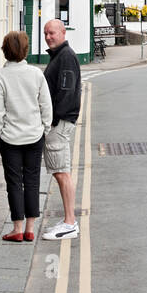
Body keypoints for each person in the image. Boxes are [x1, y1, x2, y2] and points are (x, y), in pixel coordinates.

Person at [0, 31, 52, 242]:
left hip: (9, 139)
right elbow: (46, 105)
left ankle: (17, 228)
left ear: (5, 50)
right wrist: (45, 129)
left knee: (14, 182)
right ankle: (30, 228)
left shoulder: (0, 76)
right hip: (34, 135)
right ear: (25, 50)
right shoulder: (36, 74)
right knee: (33, 180)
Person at [41, 19, 82, 241]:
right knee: (60, 171)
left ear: (63, 33)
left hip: (60, 122)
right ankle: (68, 220)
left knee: (61, 171)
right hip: (60, 121)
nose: (48, 36)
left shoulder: (66, 57)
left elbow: (66, 92)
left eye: (52, 33)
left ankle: (69, 222)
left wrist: (53, 121)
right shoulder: (60, 56)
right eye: (46, 33)